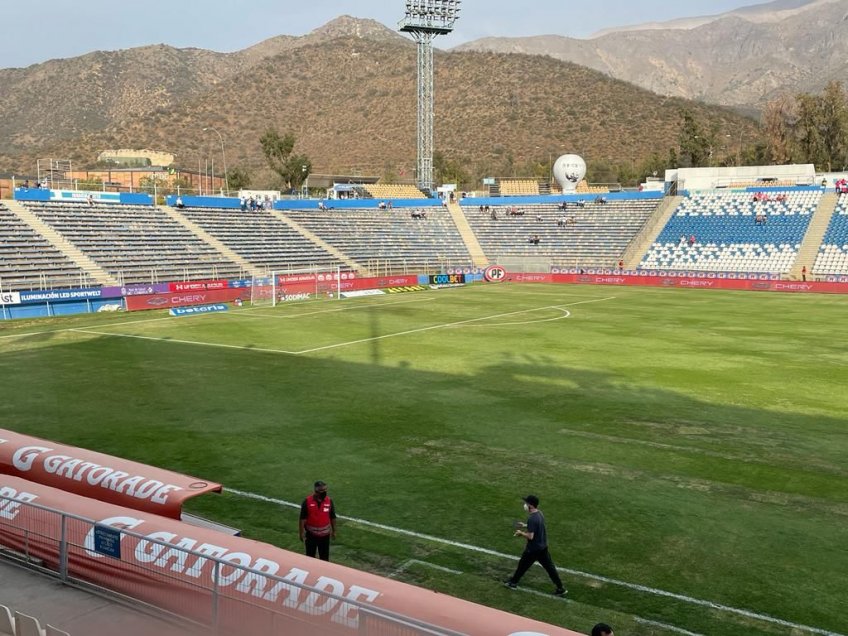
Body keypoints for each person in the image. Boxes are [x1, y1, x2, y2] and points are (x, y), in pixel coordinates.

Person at [504, 495, 566, 596]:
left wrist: (520, 533)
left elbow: (530, 536)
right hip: (543, 547)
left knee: (522, 566)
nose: (525, 505)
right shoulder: (539, 514)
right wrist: (524, 525)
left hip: (533, 550)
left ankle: (513, 583)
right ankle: (561, 588)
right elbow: (537, 526)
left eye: (526, 503)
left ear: (531, 505)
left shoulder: (532, 519)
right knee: (550, 569)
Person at [299, 480, 337, 561]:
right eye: (321, 491)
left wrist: (334, 531)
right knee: (310, 557)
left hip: (325, 536)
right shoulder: (307, 501)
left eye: (325, 490)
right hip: (311, 535)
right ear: (316, 491)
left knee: (324, 558)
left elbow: (332, 517)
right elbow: (302, 519)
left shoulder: (329, 501)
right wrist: (301, 533)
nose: (324, 492)